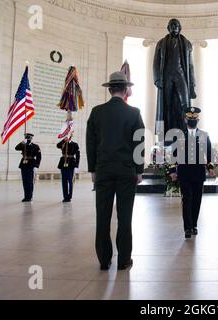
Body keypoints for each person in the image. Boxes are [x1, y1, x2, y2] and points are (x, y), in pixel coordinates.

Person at [87, 71, 145, 271]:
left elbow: (90, 143)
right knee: (125, 216)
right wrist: (139, 170)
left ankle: (104, 259)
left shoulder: (96, 112)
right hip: (126, 172)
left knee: (102, 216)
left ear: (110, 89)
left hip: (103, 171)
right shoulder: (134, 112)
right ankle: (124, 260)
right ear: (126, 90)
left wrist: (92, 169)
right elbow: (139, 143)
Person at [169, 107, 215, 239]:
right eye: (190, 119)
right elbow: (173, 155)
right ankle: (187, 228)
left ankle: (194, 224)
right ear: (185, 120)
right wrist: (173, 170)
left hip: (199, 172)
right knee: (187, 199)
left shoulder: (204, 135)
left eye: (194, 119)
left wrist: (210, 167)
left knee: (197, 200)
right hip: (184, 173)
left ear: (198, 120)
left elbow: (209, 153)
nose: (192, 121)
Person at [153, 18, 196, 136]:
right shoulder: (161, 43)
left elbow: (191, 66)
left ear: (180, 27)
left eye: (176, 25)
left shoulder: (186, 43)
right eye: (172, 25)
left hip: (181, 75)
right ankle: (166, 131)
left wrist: (192, 85)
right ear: (168, 28)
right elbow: (156, 63)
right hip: (166, 76)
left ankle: (186, 130)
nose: (174, 27)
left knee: (185, 103)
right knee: (166, 104)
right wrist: (157, 79)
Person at [15, 133, 41, 202]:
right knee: (25, 181)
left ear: (31, 138)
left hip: (31, 164)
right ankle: (26, 196)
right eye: (26, 138)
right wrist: (22, 143)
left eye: (29, 138)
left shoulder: (35, 146)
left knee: (29, 181)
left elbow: (39, 157)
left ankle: (29, 196)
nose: (27, 139)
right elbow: (16, 148)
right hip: (23, 164)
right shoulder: (23, 145)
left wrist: (36, 166)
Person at [57, 132, 80, 203]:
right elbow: (58, 146)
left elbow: (78, 155)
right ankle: (65, 196)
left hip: (71, 164)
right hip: (63, 164)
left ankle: (69, 196)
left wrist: (76, 166)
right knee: (64, 182)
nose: (67, 137)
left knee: (70, 182)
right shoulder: (63, 143)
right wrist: (63, 140)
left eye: (68, 136)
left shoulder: (75, 144)